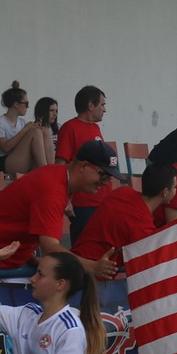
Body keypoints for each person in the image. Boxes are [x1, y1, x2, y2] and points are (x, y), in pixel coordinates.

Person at [0, 140, 123, 279]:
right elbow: (50, 248)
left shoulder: (58, 178)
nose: (105, 183)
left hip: (1, 261)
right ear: (84, 166)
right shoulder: (52, 189)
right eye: (103, 175)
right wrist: (91, 267)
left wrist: (30, 258)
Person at [71, 163, 177, 269]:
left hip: (75, 258)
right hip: (91, 272)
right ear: (165, 192)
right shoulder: (142, 226)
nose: (176, 190)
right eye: (175, 187)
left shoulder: (122, 192)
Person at [55, 86, 111, 243]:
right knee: (83, 246)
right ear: (90, 105)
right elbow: (60, 165)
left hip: (101, 199)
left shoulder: (95, 127)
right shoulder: (70, 128)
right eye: (102, 105)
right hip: (83, 202)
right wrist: (65, 199)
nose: (104, 109)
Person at [0, 81, 53, 175]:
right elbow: (6, 147)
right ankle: (46, 173)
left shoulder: (21, 122)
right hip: (5, 162)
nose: (28, 107)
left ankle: (51, 169)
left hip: (21, 159)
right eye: (26, 104)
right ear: (16, 105)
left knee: (44, 130)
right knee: (36, 132)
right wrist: (25, 130)